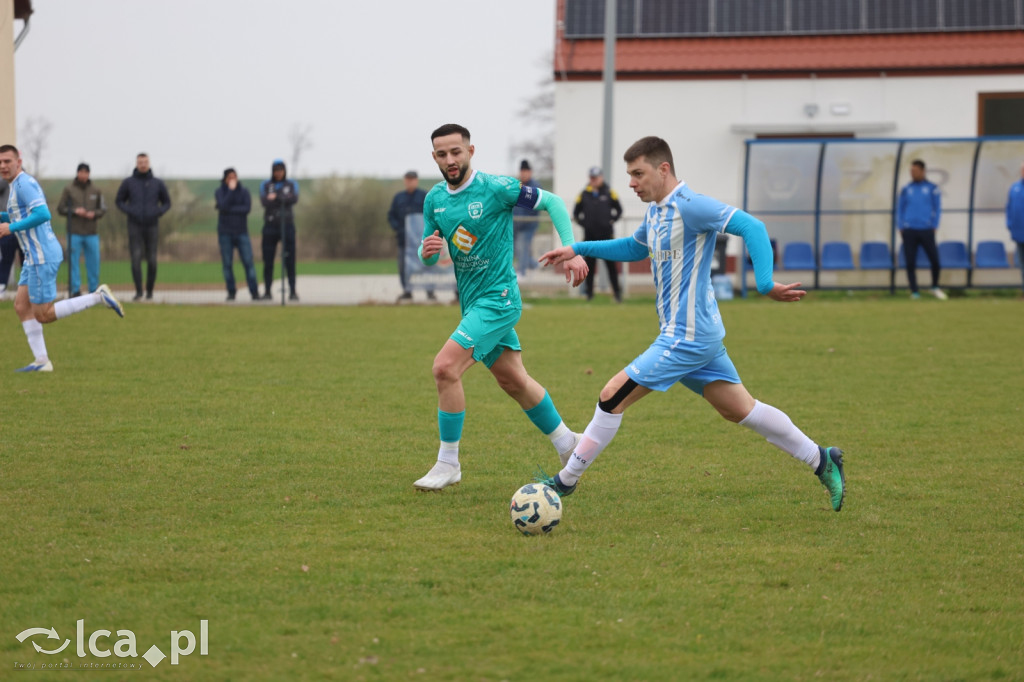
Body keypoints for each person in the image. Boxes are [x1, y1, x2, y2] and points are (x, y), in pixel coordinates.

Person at [537, 136, 846, 512]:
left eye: (638, 173)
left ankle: (564, 481)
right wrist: (578, 248)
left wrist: (764, 283)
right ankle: (822, 459)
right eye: (629, 175)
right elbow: (634, 248)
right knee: (739, 409)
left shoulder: (691, 206)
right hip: (696, 335)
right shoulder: (655, 211)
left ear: (663, 169)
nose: (632, 183)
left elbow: (753, 227)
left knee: (611, 395)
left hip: (687, 337)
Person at [413, 123, 590, 491]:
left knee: (445, 368)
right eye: (442, 154)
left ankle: (448, 463)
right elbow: (429, 252)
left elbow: (554, 202)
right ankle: (567, 442)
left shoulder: (497, 188)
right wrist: (425, 253)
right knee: (514, 380)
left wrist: (570, 249)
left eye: (456, 152)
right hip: (473, 305)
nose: (450, 159)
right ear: (434, 157)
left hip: (499, 301)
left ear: (470, 151)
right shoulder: (435, 200)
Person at [0, 144, 123, 372]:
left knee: (43, 314)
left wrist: (11, 227)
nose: (3, 166)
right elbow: (19, 214)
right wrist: (6, 220)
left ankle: (98, 297)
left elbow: (43, 214)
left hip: (42, 256)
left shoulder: (24, 183)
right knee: (20, 306)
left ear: (19, 161)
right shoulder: (17, 185)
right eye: (0, 162)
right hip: (33, 256)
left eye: (7, 161)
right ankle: (42, 361)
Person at [115, 153, 171, 301]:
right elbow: (119, 201)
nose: (143, 165)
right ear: (136, 164)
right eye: (140, 162)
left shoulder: (157, 183)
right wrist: (130, 211)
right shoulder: (128, 182)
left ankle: (150, 291)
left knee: (152, 260)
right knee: (135, 259)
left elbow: (167, 202)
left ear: (149, 163)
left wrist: (158, 212)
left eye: (145, 162)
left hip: (152, 225)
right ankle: (139, 291)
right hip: (134, 226)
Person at [897, 159, 946, 300]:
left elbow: (937, 208)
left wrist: (934, 225)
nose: (913, 173)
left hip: (926, 229)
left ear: (923, 171)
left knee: (935, 260)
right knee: (910, 262)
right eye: (911, 171)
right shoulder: (906, 189)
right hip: (909, 230)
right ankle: (914, 291)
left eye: (915, 171)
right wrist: (900, 225)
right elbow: (900, 208)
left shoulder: (932, 188)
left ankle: (935, 287)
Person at [573, 166, 623, 302]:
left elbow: (619, 210)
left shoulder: (609, 192)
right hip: (590, 237)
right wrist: (585, 224)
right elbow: (576, 213)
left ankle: (617, 295)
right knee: (588, 267)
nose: (594, 180)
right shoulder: (583, 194)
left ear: (601, 178)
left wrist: (611, 221)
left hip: (607, 237)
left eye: (596, 178)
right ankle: (589, 295)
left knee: (611, 267)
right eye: (592, 178)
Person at [57, 163, 106, 297]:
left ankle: (94, 291)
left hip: (91, 233)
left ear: (89, 174)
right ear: (77, 173)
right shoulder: (69, 189)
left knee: (94, 263)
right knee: (73, 263)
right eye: (81, 172)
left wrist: (94, 214)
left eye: (86, 172)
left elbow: (103, 209)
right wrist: (74, 211)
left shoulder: (96, 190)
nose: (83, 175)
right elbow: (61, 208)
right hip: (74, 233)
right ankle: (75, 290)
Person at [387, 170, 434, 302]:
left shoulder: (424, 196)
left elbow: (430, 215)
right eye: (407, 180)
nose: (410, 182)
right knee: (403, 267)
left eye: (412, 179)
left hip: (420, 240)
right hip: (404, 240)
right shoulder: (398, 198)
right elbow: (391, 216)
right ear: (404, 181)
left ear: (416, 181)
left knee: (426, 265)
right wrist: (398, 228)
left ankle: (430, 291)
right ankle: (407, 291)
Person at [215, 168, 259, 301]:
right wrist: (230, 191)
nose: (233, 179)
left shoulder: (244, 192)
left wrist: (228, 209)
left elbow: (246, 209)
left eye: (235, 177)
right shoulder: (220, 191)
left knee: (248, 262)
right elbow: (222, 205)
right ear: (225, 179)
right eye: (230, 177)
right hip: (225, 233)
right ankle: (231, 292)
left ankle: (254, 292)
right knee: (227, 264)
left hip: (241, 232)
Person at [260, 159, 299, 301]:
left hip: (287, 224)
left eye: (280, 170)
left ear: (284, 171)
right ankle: (267, 291)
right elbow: (264, 201)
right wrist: (282, 198)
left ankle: (293, 291)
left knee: (290, 259)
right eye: (276, 171)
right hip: (270, 226)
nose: (278, 173)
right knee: (268, 260)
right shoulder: (265, 184)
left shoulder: (291, 184)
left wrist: (276, 197)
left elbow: (293, 199)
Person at [512, 159, 541, 277]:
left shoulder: (535, 186)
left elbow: (536, 207)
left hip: (528, 225)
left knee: (522, 246)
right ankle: (535, 265)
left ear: (530, 172)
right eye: (522, 171)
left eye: (526, 171)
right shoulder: (516, 185)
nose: (523, 174)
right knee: (517, 249)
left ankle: (522, 272)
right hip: (515, 224)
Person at [1005, 161, 1024, 295]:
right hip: (1019, 232)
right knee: (1022, 263)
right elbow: (1009, 208)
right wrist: (1009, 224)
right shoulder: (1014, 187)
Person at [0, 176, 20, 297]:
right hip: (7, 227)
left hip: (23, 227)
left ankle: (28, 289)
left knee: (27, 261)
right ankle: (1, 287)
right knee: (6, 259)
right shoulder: (5, 182)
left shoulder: (27, 182)